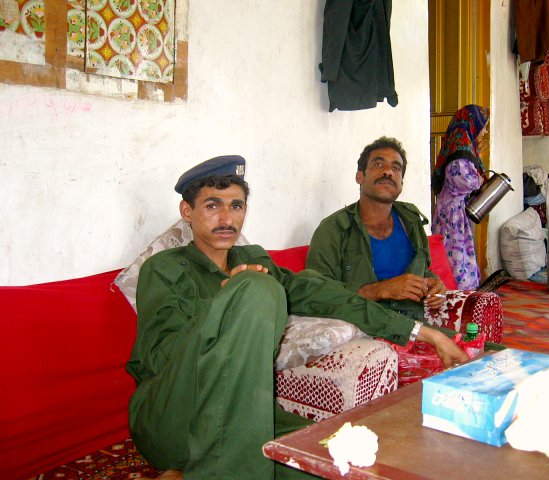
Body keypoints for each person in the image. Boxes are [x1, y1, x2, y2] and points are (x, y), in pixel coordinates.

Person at [127, 155, 468, 480]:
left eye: (237, 206)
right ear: (187, 211)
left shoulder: (254, 259)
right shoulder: (165, 269)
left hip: (244, 415)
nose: (227, 219)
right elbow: (161, 358)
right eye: (212, 205)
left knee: (342, 458)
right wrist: (229, 302)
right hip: (172, 415)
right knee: (257, 289)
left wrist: (425, 333)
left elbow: (330, 297)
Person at [306, 136, 447, 322]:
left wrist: (434, 284)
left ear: (401, 184)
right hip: (361, 326)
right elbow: (317, 293)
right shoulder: (333, 229)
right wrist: (380, 290)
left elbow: (423, 270)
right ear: (360, 176)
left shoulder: (411, 221)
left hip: (414, 323)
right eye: (379, 164)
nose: (388, 171)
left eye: (396, 168)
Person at [431, 104, 489, 290]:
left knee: (459, 253)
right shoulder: (460, 149)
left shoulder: (465, 146)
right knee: (455, 256)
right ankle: (456, 293)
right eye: (484, 126)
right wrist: (480, 180)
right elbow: (460, 178)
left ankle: (460, 291)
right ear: (474, 124)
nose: (485, 131)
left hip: (455, 211)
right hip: (452, 213)